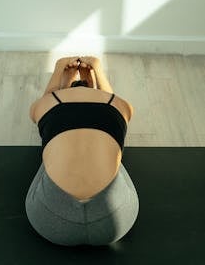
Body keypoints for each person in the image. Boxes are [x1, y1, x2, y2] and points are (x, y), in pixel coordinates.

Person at [25, 56, 139, 246]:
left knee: (49, 159)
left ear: (65, 89)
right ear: (93, 86)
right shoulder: (119, 105)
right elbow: (113, 102)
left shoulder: (48, 103)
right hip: (116, 221)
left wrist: (59, 70)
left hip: (49, 220)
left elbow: (40, 108)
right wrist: (97, 70)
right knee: (115, 159)